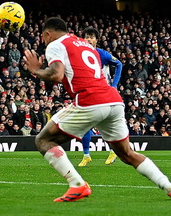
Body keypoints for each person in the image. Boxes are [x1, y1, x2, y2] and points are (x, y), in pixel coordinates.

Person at [24, 17, 171, 202]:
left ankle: (77, 184)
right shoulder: (85, 45)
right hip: (113, 101)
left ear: (47, 34)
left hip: (90, 101)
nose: (44, 41)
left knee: (43, 140)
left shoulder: (55, 44)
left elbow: (56, 74)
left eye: (43, 38)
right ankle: (168, 186)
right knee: (127, 154)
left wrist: (36, 70)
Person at [78, 26, 123, 167]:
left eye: (91, 37)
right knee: (85, 125)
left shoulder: (101, 54)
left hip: (102, 93)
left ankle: (112, 151)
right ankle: (86, 155)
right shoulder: (79, 54)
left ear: (97, 40)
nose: (89, 39)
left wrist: (114, 84)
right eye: (86, 36)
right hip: (87, 93)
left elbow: (119, 64)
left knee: (102, 124)